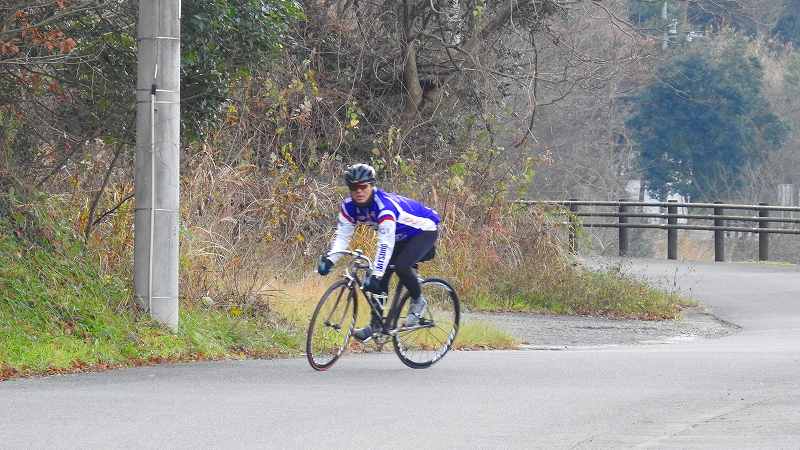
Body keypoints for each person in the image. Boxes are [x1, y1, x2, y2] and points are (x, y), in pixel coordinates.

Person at [317, 163, 440, 342]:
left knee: (401, 267)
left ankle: (418, 300)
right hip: (398, 236)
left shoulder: (384, 207)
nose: (359, 191)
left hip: (423, 231)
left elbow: (385, 243)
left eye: (363, 186)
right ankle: (376, 326)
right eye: (354, 187)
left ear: (372, 186)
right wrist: (330, 260)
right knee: (380, 279)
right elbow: (342, 237)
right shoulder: (349, 207)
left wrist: (376, 274)